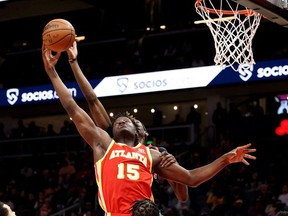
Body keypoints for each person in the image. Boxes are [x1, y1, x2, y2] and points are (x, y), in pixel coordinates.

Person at [42, 44, 256, 216]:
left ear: (139, 132)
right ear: (111, 130)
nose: (121, 121)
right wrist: (53, 71)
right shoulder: (103, 143)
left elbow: (190, 178)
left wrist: (226, 159)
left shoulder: (153, 155)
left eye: (127, 121)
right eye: (117, 121)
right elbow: (74, 104)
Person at [66, 41, 189, 204]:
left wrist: (177, 168)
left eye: (134, 121)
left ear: (143, 132)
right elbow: (92, 100)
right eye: (124, 121)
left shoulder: (157, 152)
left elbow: (182, 196)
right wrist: (74, 62)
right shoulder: (113, 141)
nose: (128, 122)